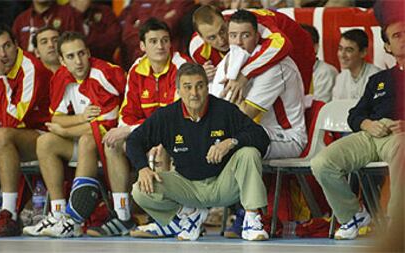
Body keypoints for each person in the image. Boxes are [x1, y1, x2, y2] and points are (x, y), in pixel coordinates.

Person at [127, 62, 270, 241]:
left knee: (249, 152)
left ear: (207, 87)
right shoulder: (166, 116)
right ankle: (189, 215)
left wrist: (231, 142)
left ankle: (251, 220)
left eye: (199, 86)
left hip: (223, 184)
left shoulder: (224, 110)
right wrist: (142, 168)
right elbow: (134, 141)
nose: (194, 93)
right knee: (140, 189)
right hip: (187, 186)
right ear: (178, 90)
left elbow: (261, 136)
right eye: (187, 87)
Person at [21, 31, 130, 238]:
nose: (78, 61)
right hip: (86, 140)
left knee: (89, 139)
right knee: (45, 142)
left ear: (88, 53)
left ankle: (74, 219)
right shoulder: (61, 77)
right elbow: (56, 119)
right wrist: (78, 120)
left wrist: (64, 131)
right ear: (62, 60)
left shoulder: (105, 74)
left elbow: (104, 126)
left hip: (114, 141)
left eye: (81, 54)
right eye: (70, 57)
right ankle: (59, 214)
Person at [87, 18, 189, 237]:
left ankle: (163, 218)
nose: (160, 46)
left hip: (182, 135)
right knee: (112, 144)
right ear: (143, 46)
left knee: (162, 149)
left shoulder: (182, 67)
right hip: (147, 133)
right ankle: (123, 216)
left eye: (164, 40)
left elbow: (177, 116)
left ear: (171, 43)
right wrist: (133, 132)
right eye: (153, 41)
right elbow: (127, 114)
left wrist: (137, 132)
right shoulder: (137, 69)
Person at [211, 10, 306, 238]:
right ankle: (188, 214)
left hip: (286, 137)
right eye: (233, 35)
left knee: (243, 146)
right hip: (252, 132)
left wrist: (218, 136)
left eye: (245, 35)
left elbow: (245, 115)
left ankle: (251, 217)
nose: (238, 42)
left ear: (257, 36)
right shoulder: (228, 62)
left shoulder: (277, 66)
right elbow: (213, 108)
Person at [311, 19, 405, 240]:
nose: (403, 40)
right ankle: (353, 216)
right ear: (388, 47)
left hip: (399, 135)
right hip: (370, 133)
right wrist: (367, 124)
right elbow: (355, 114)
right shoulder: (379, 79)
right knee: (322, 162)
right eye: (397, 36)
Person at [0, 24, 52, 237]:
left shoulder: (30, 68)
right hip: (10, 137)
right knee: (1, 136)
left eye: (7, 46)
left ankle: (8, 215)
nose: (2, 54)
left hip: (44, 137)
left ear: (17, 45)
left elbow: (12, 120)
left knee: (3, 135)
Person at [189, 5, 315, 103]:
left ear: (226, 21)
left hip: (297, 47)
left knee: (300, 102)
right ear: (201, 37)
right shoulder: (197, 50)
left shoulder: (253, 24)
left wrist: (245, 75)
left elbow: (282, 45)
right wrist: (202, 75)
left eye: (222, 30)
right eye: (212, 38)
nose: (221, 40)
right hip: (269, 47)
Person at [332, 29, 381, 100]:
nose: (342, 55)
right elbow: (335, 107)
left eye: (349, 50)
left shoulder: (377, 77)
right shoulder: (341, 78)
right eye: (340, 49)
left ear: (363, 52)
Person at [301, 24, 338, 104]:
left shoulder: (326, 72)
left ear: (315, 47)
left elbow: (318, 107)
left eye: (302, 45)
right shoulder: (291, 71)